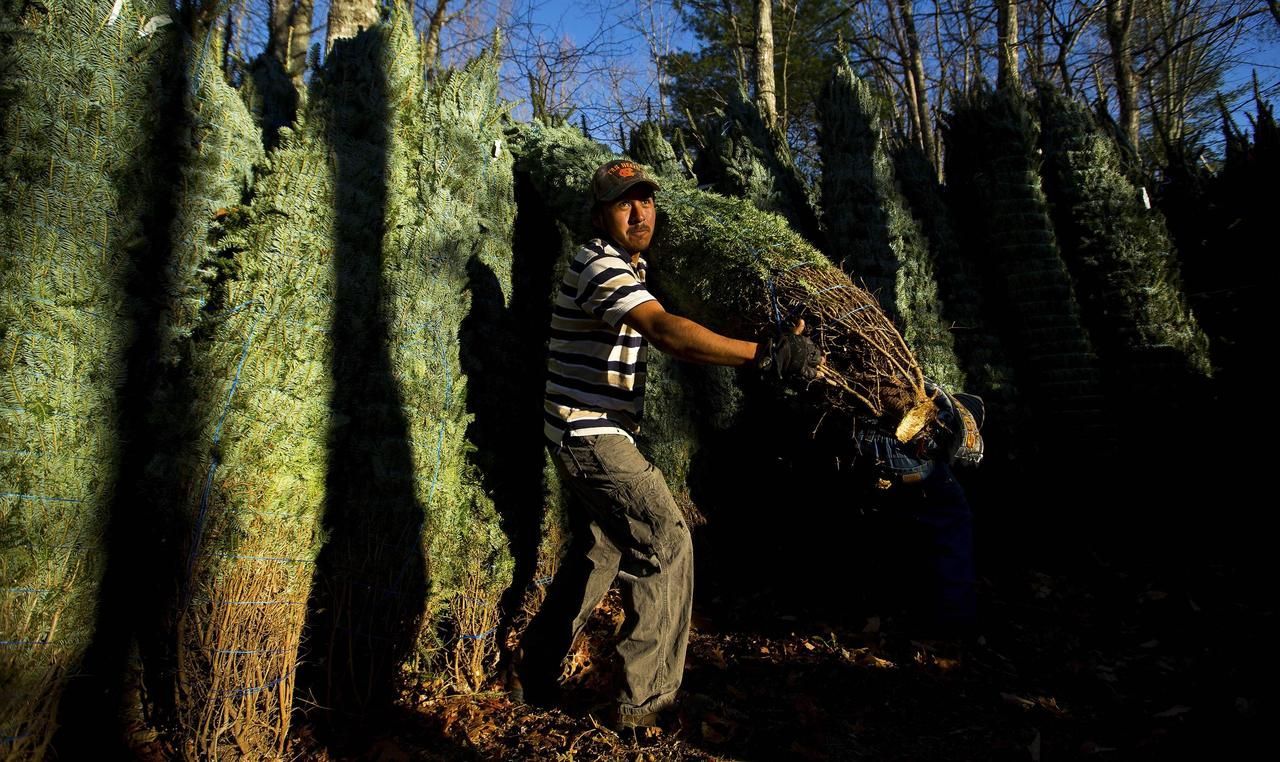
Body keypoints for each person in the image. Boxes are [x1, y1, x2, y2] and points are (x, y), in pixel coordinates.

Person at [511, 159, 819, 730]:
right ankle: (644, 709)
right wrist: (763, 356)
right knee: (668, 541)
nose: (639, 212)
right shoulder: (597, 265)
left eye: (646, 199)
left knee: (602, 551)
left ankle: (533, 668)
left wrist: (772, 334)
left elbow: (681, 319)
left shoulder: (632, 268)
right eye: (624, 202)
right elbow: (665, 330)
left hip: (590, 431)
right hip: (590, 433)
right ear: (600, 213)